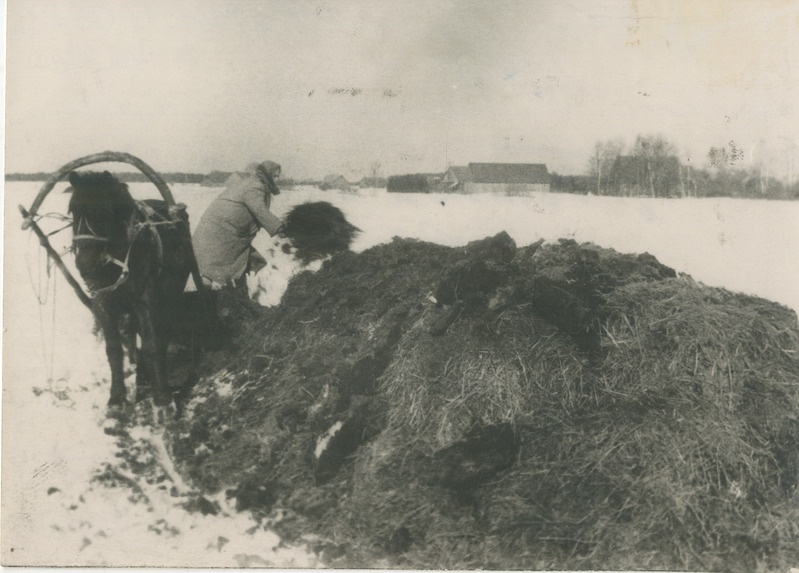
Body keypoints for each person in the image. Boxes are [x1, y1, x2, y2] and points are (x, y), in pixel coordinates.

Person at [192, 160, 284, 288]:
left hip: (226, 233)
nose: (277, 179)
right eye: (274, 176)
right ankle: (206, 300)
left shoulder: (257, 184)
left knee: (235, 266)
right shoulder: (254, 187)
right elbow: (260, 211)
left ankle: (233, 297)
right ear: (266, 174)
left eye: (278, 176)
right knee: (211, 269)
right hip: (219, 233)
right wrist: (280, 228)